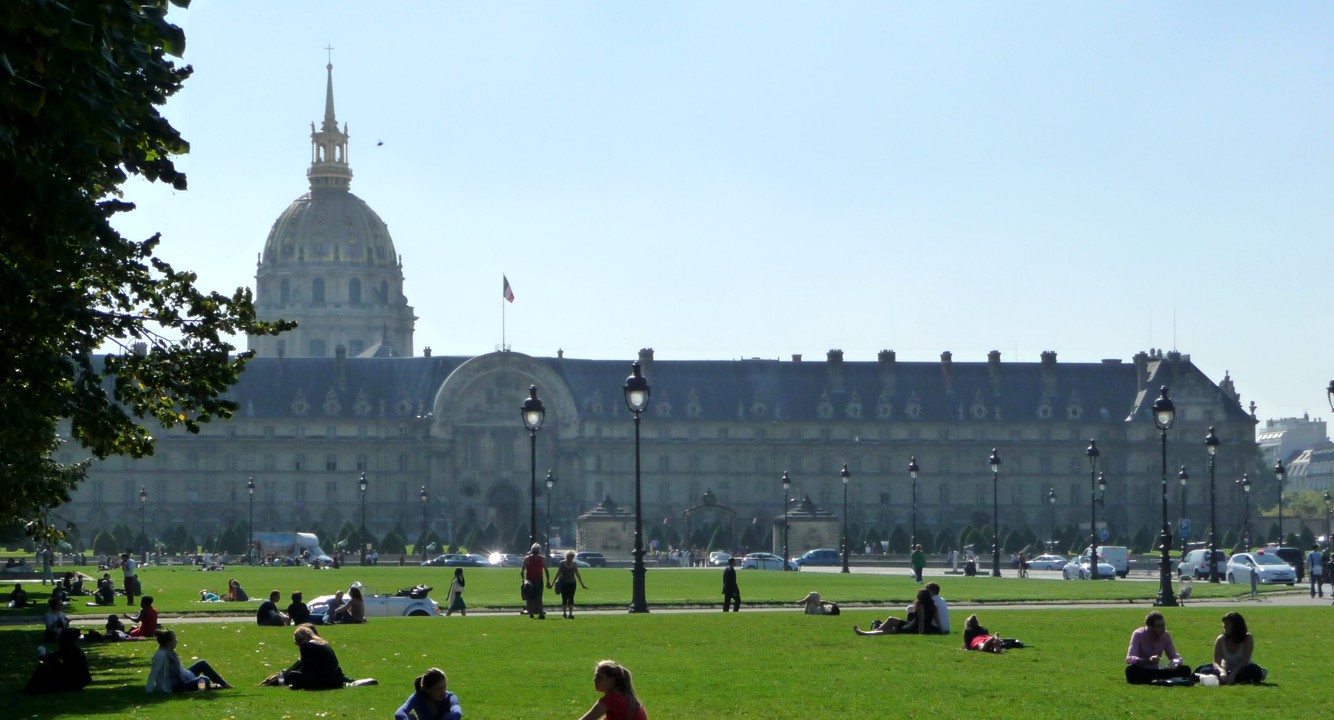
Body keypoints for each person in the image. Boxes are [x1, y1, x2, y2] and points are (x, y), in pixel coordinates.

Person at [146, 628, 232, 693]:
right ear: (169, 642)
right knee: (204, 680)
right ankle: (206, 688)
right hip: (176, 686)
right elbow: (154, 673)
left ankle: (223, 684)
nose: (177, 641)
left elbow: (180, 671)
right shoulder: (161, 655)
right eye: (175, 639)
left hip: (184, 678)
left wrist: (192, 677)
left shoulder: (170, 652)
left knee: (202, 663)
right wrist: (149, 691)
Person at [1193, 612, 1267, 685]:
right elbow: (1216, 662)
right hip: (1225, 667)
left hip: (1242, 668)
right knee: (1203, 670)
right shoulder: (1220, 639)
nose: (1224, 627)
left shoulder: (1247, 638)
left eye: (1227, 624)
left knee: (1255, 670)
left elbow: (1244, 661)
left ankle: (1231, 679)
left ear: (1236, 626)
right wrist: (1222, 672)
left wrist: (1233, 674)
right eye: (1224, 624)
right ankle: (1228, 679)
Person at [1125, 611, 1193, 684]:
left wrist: (1175, 662)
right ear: (1150, 627)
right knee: (1131, 670)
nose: (1163, 629)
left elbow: (1174, 656)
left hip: (1158, 670)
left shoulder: (1166, 636)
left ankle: (1153, 679)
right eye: (1159, 626)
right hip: (1143, 669)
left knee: (1185, 669)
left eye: (1164, 625)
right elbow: (1130, 659)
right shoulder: (1138, 634)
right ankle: (1161, 679)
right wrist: (1148, 660)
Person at [284, 624, 353, 690]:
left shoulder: (306, 646)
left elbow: (305, 669)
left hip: (325, 680)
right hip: (338, 679)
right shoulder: (323, 643)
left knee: (292, 675)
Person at [24, 627, 90, 694]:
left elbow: (53, 658)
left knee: (44, 667)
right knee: (48, 665)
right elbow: (54, 657)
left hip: (76, 682)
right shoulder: (71, 648)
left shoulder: (70, 649)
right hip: (78, 679)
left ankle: (32, 689)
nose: (59, 638)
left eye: (61, 636)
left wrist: (43, 656)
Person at [576, 659, 647, 720]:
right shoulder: (626, 697)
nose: (594, 679)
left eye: (599, 677)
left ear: (611, 680)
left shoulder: (612, 700)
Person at [393, 667, 463, 720]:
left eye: (444, 687)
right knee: (409, 716)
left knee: (448, 715)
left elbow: (457, 712)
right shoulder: (419, 697)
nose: (443, 692)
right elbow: (399, 713)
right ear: (428, 689)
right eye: (438, 689)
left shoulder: (450, 697)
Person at [550, 551, 589, 619]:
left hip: (572, 583)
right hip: (564, 583)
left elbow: (577, 574)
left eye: (572, 557)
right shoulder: (562, 563)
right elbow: (558, 573)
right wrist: (553, 583)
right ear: (567, 557)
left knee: (571, 598)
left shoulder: (574, 564)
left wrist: (582, 584)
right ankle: (564, 613)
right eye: (569, 557)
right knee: (564, 598)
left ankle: (570, 614)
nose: (570, 559)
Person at [521, 542, 550, 619]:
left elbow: (546, 571)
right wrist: (524, 580)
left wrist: (548, 580)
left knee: (538, 598)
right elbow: (522, 571)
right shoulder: (528, 559)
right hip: (530, 580)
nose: (535, 554)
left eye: (536, 552)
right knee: (531, 598)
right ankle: (532, 613)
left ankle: (540, 613)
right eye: (535, 552)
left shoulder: (541, 559)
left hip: (539, 580)